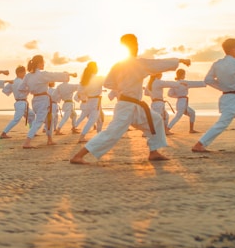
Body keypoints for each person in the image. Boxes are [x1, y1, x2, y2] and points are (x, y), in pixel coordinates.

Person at [70, 34, 190, 164]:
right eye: (134, 44)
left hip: (135, 105)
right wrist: (180, 61)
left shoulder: (118, 65)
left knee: (156, 120)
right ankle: (78, 155)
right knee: (112, 133)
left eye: (137, 44)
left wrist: (122, 87)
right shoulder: (138, 63)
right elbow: (159, 64)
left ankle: (154, 152)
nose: (137, 46)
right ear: (128, 46)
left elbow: (108, 83)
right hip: (126, 105)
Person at [20, 55, 76, 148]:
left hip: (35, 100)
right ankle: (27, 142)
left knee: (49, 118)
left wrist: (31, 89)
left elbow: (21, 88)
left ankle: (49, 139)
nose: (44, 64)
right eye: (43, 62)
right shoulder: (42, 74)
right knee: (39, 121)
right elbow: (55, 75)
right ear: (39, 63)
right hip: (43, 100)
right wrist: (69, 75)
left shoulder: (28, 76)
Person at [166, 69, 207, 134]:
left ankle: (191, 130)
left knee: (192, 113)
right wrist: (207, 82)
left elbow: (169, 94)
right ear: (182, 75)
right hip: (183, 102)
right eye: (184, 74)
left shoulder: (174, 84)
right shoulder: (185, 82)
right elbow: (196, 83)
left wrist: (178, 96)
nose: (184, 75)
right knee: (178, 116)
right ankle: (167, 129)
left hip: (180, 102)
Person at [0, 65, 35, 139]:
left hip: (21, 102)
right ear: (19, 73)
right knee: (16, 119)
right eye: (24, 73)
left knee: (31, 115)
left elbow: (5, 91)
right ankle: (4, 133)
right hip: (21, 103)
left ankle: (32, 131)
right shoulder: (21, 82)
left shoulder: (13, 82)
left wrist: (14, 89)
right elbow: (29, 89)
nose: (25, 74)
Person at [76, 62, 105, 143]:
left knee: (100, 119)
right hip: (96, 101)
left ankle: (99, 135)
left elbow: (80, 92)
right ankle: (82, 137)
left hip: (89, 101)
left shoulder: (84, 80)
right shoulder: (99, 78)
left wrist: (84, 97)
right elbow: (108, 83)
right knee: (92, 120)